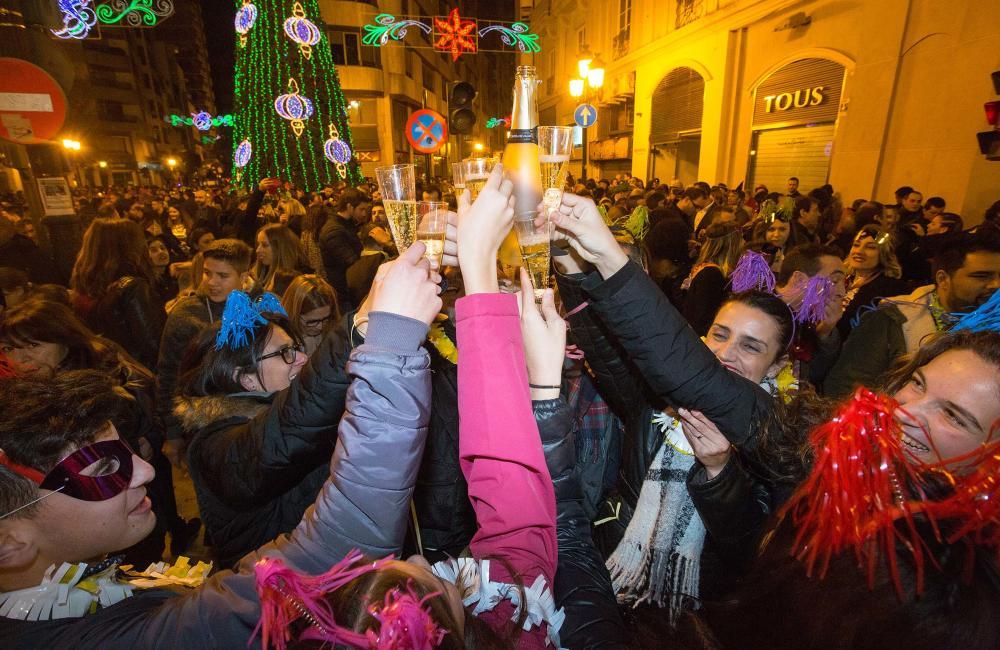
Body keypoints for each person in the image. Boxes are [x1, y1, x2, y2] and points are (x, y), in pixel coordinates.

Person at [0, 248, 437, 645]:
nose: (148, 472)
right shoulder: (217, 445)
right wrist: (379, 334)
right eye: (101, 469)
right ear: (9, 540)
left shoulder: (99, 592)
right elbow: (295, 444)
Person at [707, 329, 1000, 650]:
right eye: (917, 383)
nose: (905, 411)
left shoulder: (947, 593)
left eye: (953, 416)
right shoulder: (842, 465)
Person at [0, 299, 199, 563]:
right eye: (9, 348)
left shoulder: (100, 391)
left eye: (34, 345)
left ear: (64, 340)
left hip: (128, 519)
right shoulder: (26, 394)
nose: (21, 358)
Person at [825, 232, 1000, 397]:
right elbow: (845, 392)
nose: (995, 284)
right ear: (942, 279)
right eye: (981, 276)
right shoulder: (891, 321)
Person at [156, 239, 253, 466]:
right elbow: (168, 375)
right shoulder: (186, 315)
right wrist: (172, 432)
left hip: (250, 421)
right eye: (207, 273)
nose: (212, 282)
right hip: (202, 425)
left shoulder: (258, 308)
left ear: (243, 276)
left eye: (223, 276)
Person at [70, 219, 163, 371]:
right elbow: (154, 346)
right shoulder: (132, 287)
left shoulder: (85, 289)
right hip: (139, 374)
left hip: (109, 372)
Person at [836, 225, 908, 341]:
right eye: (856, 245)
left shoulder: (891, 289)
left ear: (883, 253)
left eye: (870, 247)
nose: (859, 251)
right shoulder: (838, 279)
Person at [681, 221, 744, 336]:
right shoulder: (712, 275)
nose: (743, 243)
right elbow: (704, 318)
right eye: (741, 240)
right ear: (731, 245)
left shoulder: (706, 268)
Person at [319, 189, 368, 312]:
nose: (364, 214)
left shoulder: (345, 224)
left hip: (348, 289)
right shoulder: (334, 231)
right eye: (361, 209)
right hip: (344, 292)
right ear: (350, 207)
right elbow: (352, 262)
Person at [281, 274, 339, 356]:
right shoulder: (281, 343)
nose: (320, 327)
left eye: (326, 318)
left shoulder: (331, 331)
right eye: (312, 321)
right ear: (294, 314)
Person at [252, 223, 312, 293]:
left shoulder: (297, 280)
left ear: (280, 248)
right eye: (258, 244)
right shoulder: (262, 269)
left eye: (264, 245)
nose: (257, 250)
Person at [146, 235, 179, 310]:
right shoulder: (148, 283)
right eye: (154, 250)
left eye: (163, 248)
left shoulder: (172, 275)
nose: (161, 252)